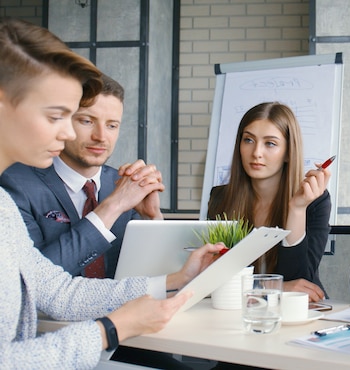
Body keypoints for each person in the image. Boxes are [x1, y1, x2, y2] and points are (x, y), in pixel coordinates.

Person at [0, 18, 223, 368]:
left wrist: (177, 277)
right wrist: (111, 329)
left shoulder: (2, 209)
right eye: (58, 116)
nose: (66, 133)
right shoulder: (15, 189)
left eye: (72, 116)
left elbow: (58, 290)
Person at [0, 73, 163, 279]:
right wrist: (112, 207)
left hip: (121, 310)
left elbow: (149, 275)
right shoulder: (14, 184)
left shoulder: (123, 184)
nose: (101, 136)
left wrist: (152, 219)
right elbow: (35, 281)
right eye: (87, 121)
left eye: (112, 125)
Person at [207, 102, 331, 302]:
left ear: (289, 152)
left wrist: (297, 209)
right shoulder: (220, 198)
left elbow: (299, 283)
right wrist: (272, 287)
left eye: (270, 143)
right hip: (238, 309)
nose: (256, 152)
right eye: (248, 140)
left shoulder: (316, 200)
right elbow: (216, 277)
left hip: (300, 311)